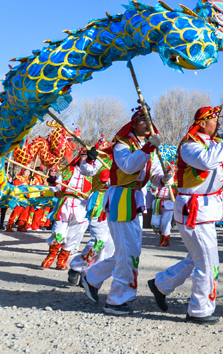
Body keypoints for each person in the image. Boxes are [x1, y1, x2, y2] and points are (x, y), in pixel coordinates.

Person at [148, 104, 223, 325]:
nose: (218, 125)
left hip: (205, 209)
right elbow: (207, 161)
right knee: (207, 262)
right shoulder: (189, 145)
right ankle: (199, 310)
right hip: (194, 209)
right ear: (202, 123)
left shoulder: (213, 142)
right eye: (214, 121)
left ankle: (161, 285)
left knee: (197, 258)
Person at [80, 106, 168, 315]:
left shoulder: (149, 147)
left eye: (149, 119)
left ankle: (92, 277)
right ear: (134, 124)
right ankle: (116, 300)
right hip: (121, 197)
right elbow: (128, 166)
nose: (147, 123)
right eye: (142, 120)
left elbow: (154, 174)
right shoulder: (122, 144)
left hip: (135, 199)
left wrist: (164, 179)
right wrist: (148, 149)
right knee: (128, 252)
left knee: (129, 251)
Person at [41, 148, 102, 270]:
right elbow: (56, 188)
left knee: (73, 236)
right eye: (83, 157)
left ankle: (61, 261)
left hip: (82, 206)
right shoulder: (67, 171)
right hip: (65, 205)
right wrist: (52, 182)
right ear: (78, 158)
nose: (85, 159)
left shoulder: (94, 174)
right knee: (58, 232)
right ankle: (51, 256)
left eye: (88, 158)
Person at [151, 166, 177, 247]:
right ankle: (161, 234)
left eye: (173, 172)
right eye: (169, 172)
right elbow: (154, 192)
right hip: (158, 203)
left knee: (166, 223)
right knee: (155, 223)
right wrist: (154, 189)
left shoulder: (176, 183)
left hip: (169, 205)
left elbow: (176, 195)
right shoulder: (160, 180)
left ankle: (165, 239)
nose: (171, 173)